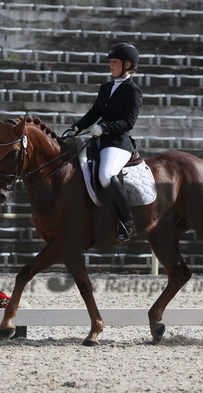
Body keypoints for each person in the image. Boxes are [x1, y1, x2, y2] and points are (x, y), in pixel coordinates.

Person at [65, 42, 143, 243]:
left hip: (118, 143)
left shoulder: (133, 91)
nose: (110, 65)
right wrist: (77, 127)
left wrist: (105, 127)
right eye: (111, 62)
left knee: (106, 175)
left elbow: (129, 122)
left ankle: (128, 223)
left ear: (127, 65)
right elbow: (94, 113)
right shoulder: (106, 87)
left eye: (115, 62)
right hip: (99, 141)